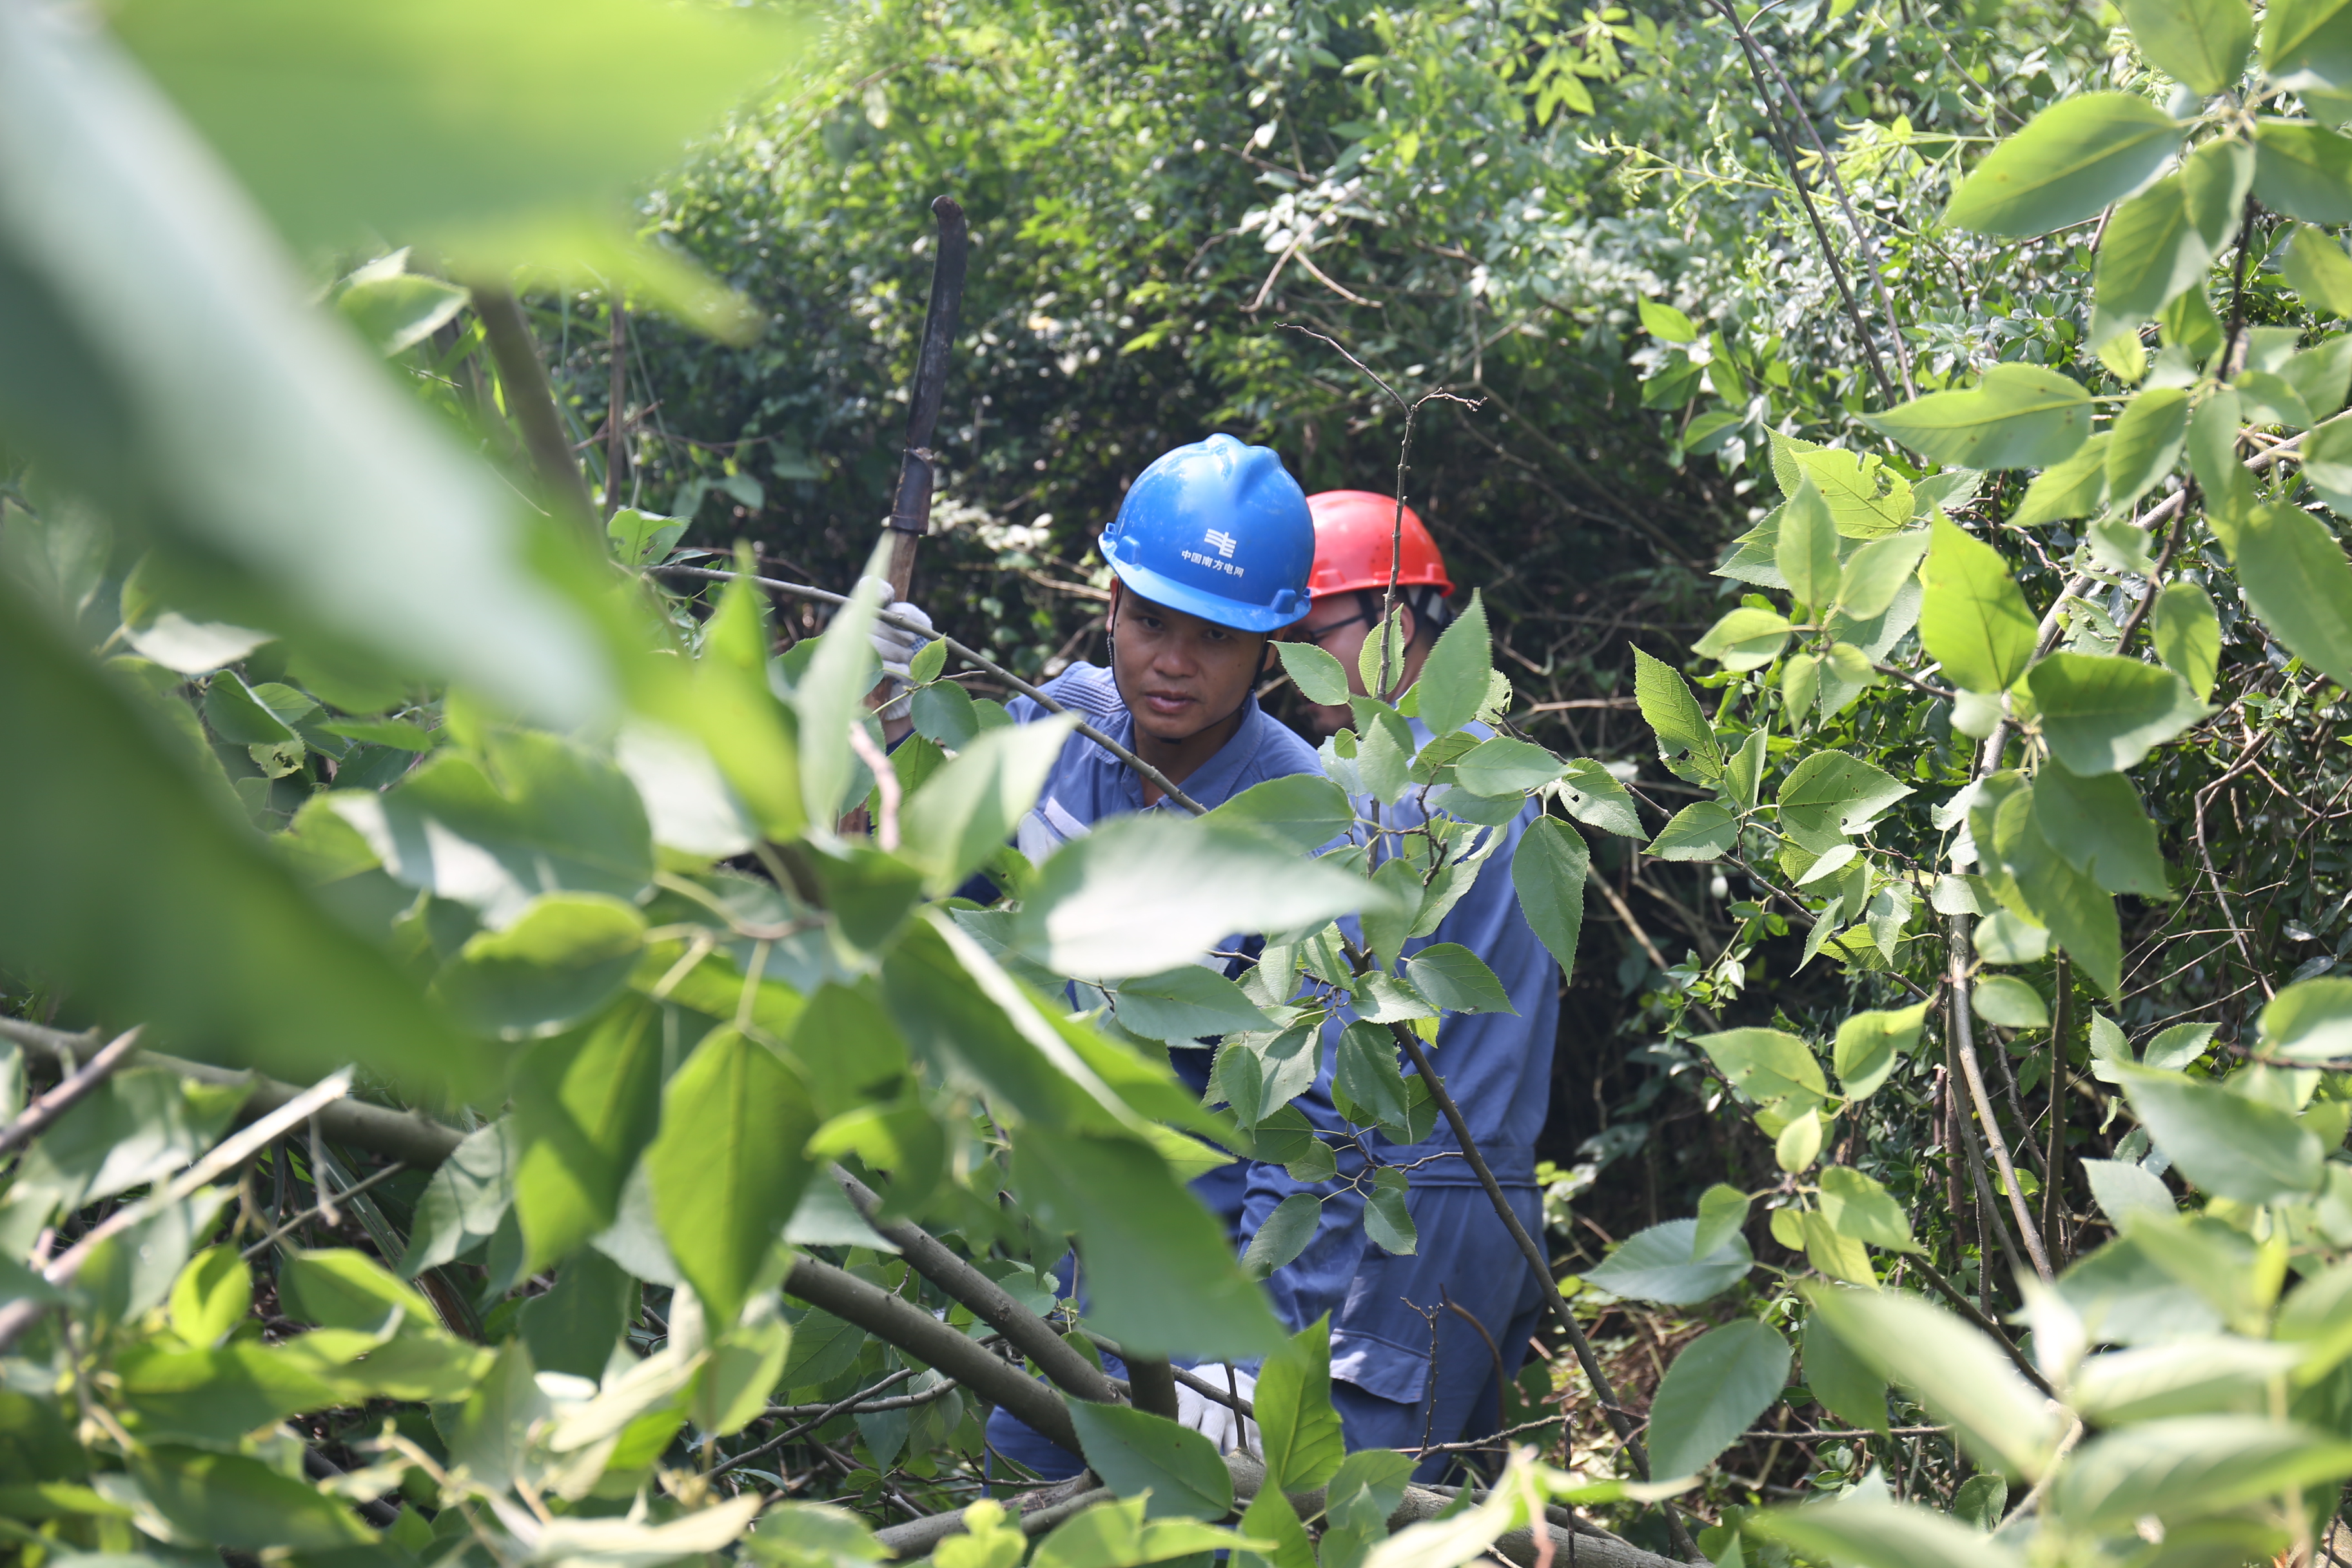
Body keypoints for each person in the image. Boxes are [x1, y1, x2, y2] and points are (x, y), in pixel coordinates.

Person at [872, 435, 1371, 1476]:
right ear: (1110, 602)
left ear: (1272, 647)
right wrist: (883, 730)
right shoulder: (1054, 730)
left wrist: (1253, 1361)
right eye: (1149, 623)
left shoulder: (1304, 829)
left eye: (1214, 639)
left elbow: (1313, 1136)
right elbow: (913, 904)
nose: (1172, 662)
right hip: (1039, 1297)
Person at [1295, 489, 1562, 1480]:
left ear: (1396, 622)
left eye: (1313, 632)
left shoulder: (1357, 794)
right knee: (1459, 1525)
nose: (1295, 665)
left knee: (1347, 1520)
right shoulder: (1513, 783)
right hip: (1498, 1207)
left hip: (1398, 1214)